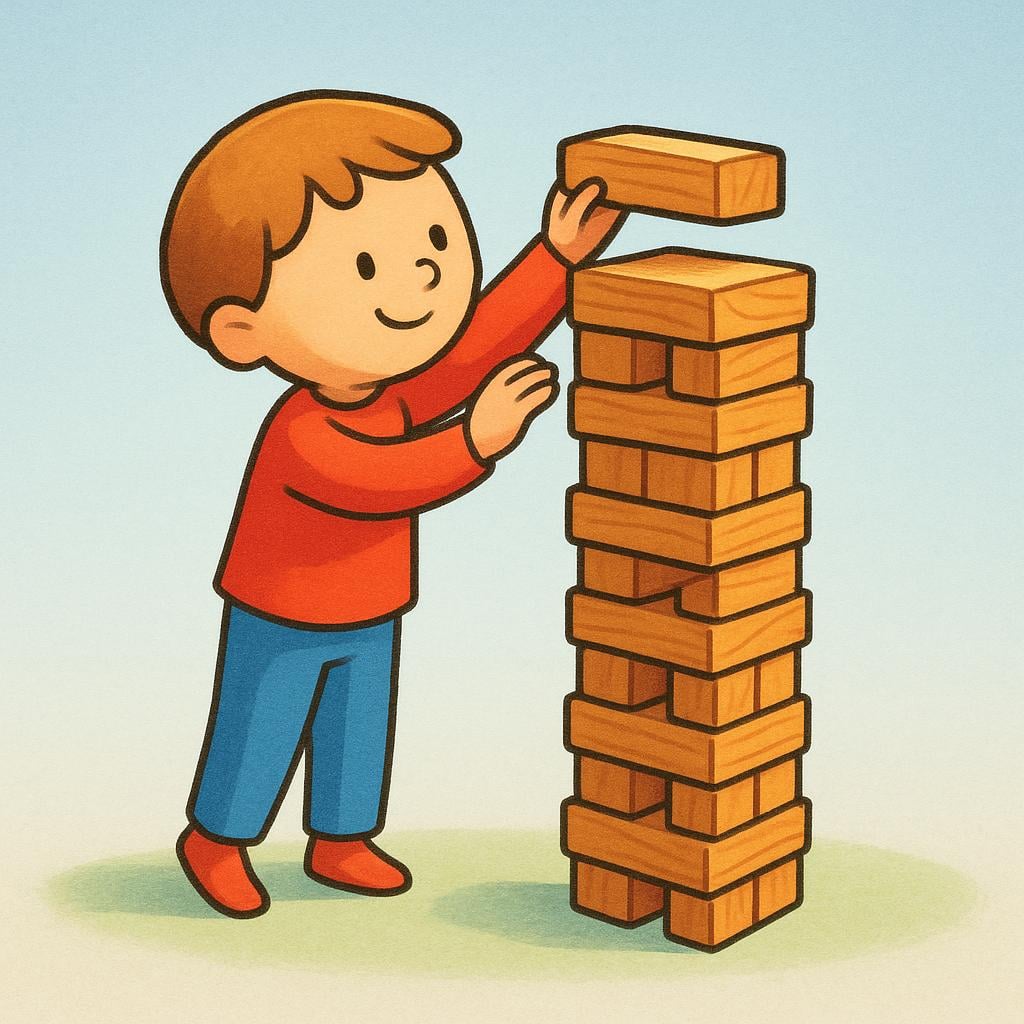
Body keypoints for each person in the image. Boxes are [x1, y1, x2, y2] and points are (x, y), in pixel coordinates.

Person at [159, 90, 624, 918]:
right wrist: (476, 440)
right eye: (366, 269)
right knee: (261, 731)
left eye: (437, 243)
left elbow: (475, 343)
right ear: (242, 334)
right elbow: (381, 481)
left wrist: (555, 260)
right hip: (284, 613)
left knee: (356, 731)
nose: (422, 279)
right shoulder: (302, 433)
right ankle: (217, 839)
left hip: (373, 606)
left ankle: (341, 840)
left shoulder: (390, 390)